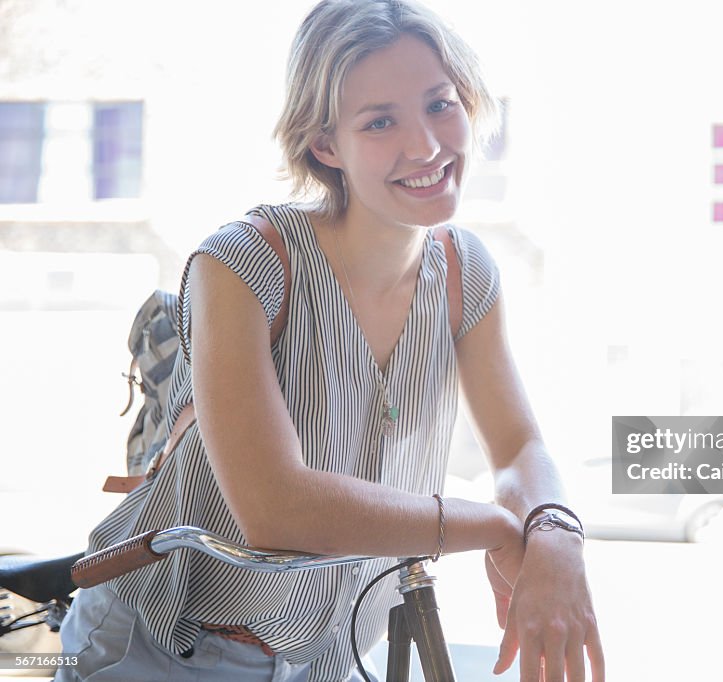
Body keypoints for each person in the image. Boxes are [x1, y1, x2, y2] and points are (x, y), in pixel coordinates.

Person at [56, 1, 604, 680]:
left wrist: (553, 529)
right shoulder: (241, 263)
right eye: (380, 122)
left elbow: (520, 446)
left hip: (327, 655)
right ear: (324, 145)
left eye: (439, 104)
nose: (427, 146)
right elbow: (276, 509)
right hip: (163, 645)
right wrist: (494, 526)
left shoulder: (466, 271)